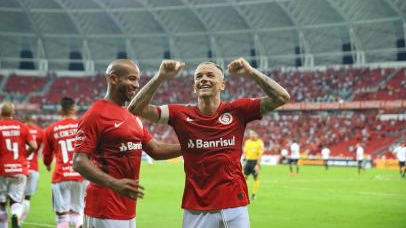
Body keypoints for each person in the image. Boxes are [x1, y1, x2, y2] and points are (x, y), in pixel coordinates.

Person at [128, 58, 290, 228]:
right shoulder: (180, 114)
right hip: (197, 208)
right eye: (198, 77)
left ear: (222, 85)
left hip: (235, 206)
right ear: (194, 87)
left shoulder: (237, 110)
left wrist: (250, 71)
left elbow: (281, 97)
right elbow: (135, 108)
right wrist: (160, 76)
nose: (203, 79)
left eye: (210, 75)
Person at [73, 59, 182, 228]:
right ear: (113, 79)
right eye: (131, 79)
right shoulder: (95, 114)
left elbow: (156, 149)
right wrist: (113, 183)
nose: (136, 84)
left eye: (137, 80)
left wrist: (192, 145)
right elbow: (79, 161)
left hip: (127, 206)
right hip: (104, 207)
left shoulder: (132, 115)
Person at [43, 97, 85, 228]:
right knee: (77, 213)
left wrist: (48, 164)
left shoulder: (51, 129)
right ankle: (79, 224)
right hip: (81, 175)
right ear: (75, 109)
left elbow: (47, 155)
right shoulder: (82, 126)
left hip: (61, 176)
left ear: (60, 111)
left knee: (62, 217)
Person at [0, 102, 37, 228]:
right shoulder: (22, 127)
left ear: (1, 113)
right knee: (16, 201)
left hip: (2, 170)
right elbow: (34, 146)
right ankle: (15, 213)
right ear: (13, 112)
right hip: (20, 169)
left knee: (1, 203)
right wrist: (24, 156)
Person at [20, 114, 45, 224]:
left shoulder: (19, 129)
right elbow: (39, 148)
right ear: (33, 120)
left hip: (19, 166)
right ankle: (20, 221)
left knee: (16, 197)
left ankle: (15, 214)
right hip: (33, 167)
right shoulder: (40, 132)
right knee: (27, 198)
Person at [242, 130, 264, 200]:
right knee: (244, 177)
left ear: (255, 135)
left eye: (252, 134)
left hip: (255, 162)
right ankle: (245, 193)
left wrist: (258, 164)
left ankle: (254, 194)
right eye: (250, 134)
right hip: (248, 161)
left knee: (255, 178)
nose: (251, 136)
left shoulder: (259, 142)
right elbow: (245, 153)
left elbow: (260, 154)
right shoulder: (247, 142)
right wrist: (243, 162)